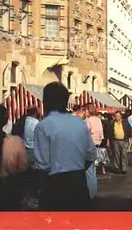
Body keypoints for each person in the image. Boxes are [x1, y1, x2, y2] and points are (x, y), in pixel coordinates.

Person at [33, 82, 96, 210]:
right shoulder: (80, 123)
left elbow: (43, 165)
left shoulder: (43, 126)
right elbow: (91, 155)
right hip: (79, 182)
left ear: (45, 102)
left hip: (55, 185)